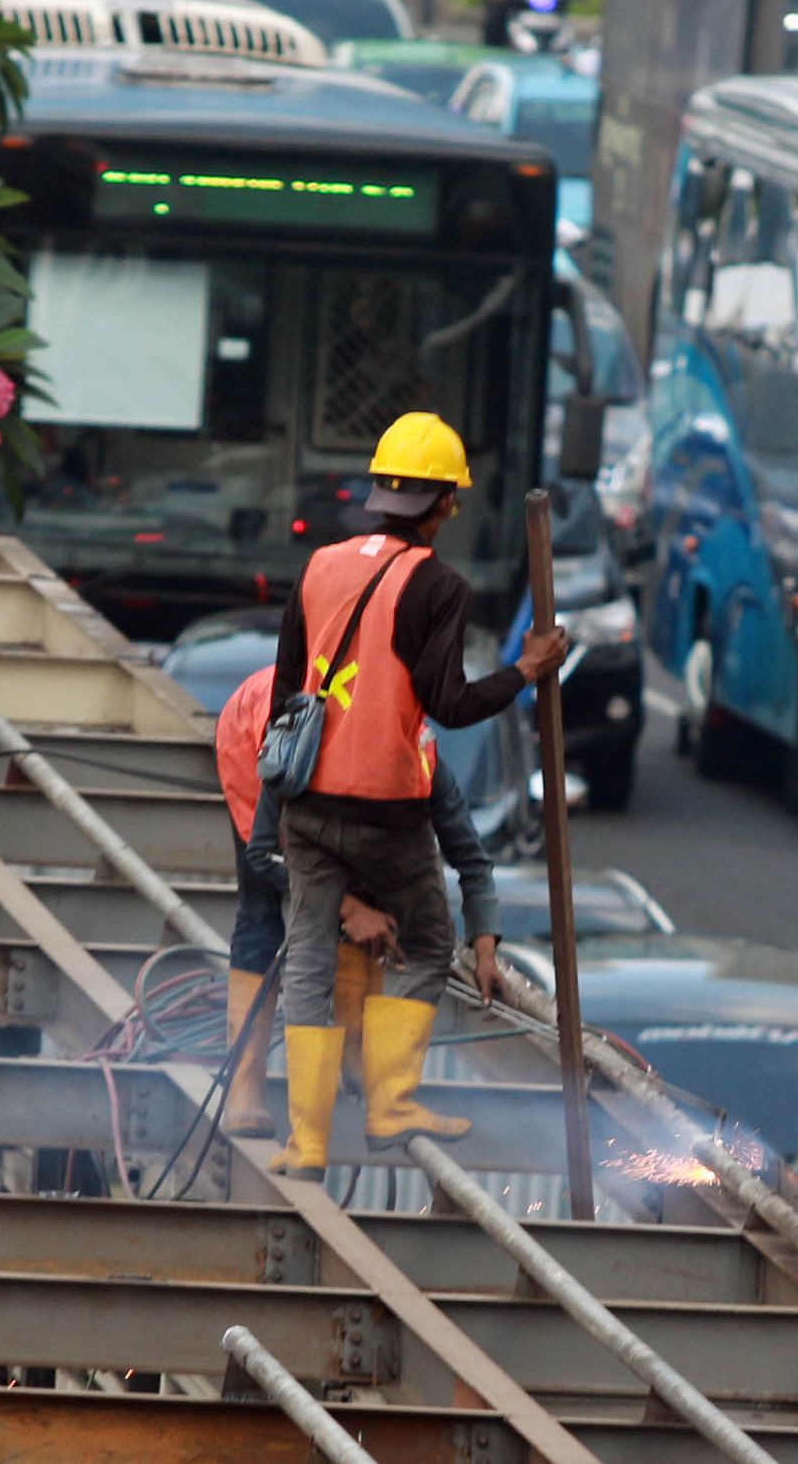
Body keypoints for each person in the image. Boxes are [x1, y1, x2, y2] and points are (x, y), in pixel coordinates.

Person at [262, 412, 566, 1173]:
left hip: (305, 799)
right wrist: (527, 671)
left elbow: (286, 690)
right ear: (442, 506)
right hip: (386, 808)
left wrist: (290, 798)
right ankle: (390, 1102)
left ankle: (305, 1142)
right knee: (430, 940)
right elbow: (449, 704)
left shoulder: (320, 565)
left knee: (306, 961)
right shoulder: (438, 585)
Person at [211, 670, 507, 1141]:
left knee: (366, 892)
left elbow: (471, 858)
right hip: (263, 746)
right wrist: (348, 909)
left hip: (334, 769)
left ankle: (354, 1057)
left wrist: (485, 943)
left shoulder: (424, 764)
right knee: (264, 915)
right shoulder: (302, 751)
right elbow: (266, 858)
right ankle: (244, 1089)